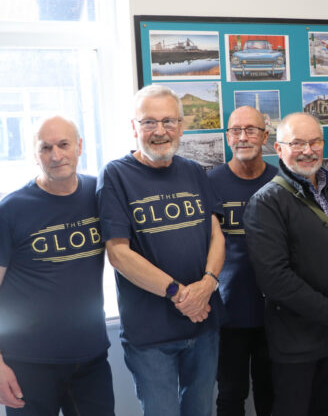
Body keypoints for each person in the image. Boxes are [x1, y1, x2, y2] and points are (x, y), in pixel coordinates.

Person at [97, 84, 225, 416]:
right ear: (134, 127)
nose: (159, 131)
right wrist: (180, 295)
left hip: (204, 324)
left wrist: (208, 284)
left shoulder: (194, 172)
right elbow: (118, 253)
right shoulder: (115, 175)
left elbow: (217, 234)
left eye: (168, 121)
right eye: (149, 122)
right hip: (150, 334)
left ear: (181, 126)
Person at [242, 112, 328, 416]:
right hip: (296, 343)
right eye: (297, 143)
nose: (308, 150)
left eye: (314, 142)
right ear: (278, 149)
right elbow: (275, 279)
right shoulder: (266, 202)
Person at [0, 116, 114, 416]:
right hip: (28, 362)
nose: (56, 155)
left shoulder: (98, 193)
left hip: (90, 358)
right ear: (35, 155)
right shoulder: (11, 209)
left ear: (79, 146)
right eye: (45, 148)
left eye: (63, 144)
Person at [208, 106, 277, 416]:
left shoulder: (281, 181)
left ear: (265, 136)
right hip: (227, 312)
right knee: (231, 394)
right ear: (227, 137)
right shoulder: (210, 182)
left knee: (270, 394)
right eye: (236, 130)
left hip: (274, 312)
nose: (243, 137)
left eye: (251, 130)